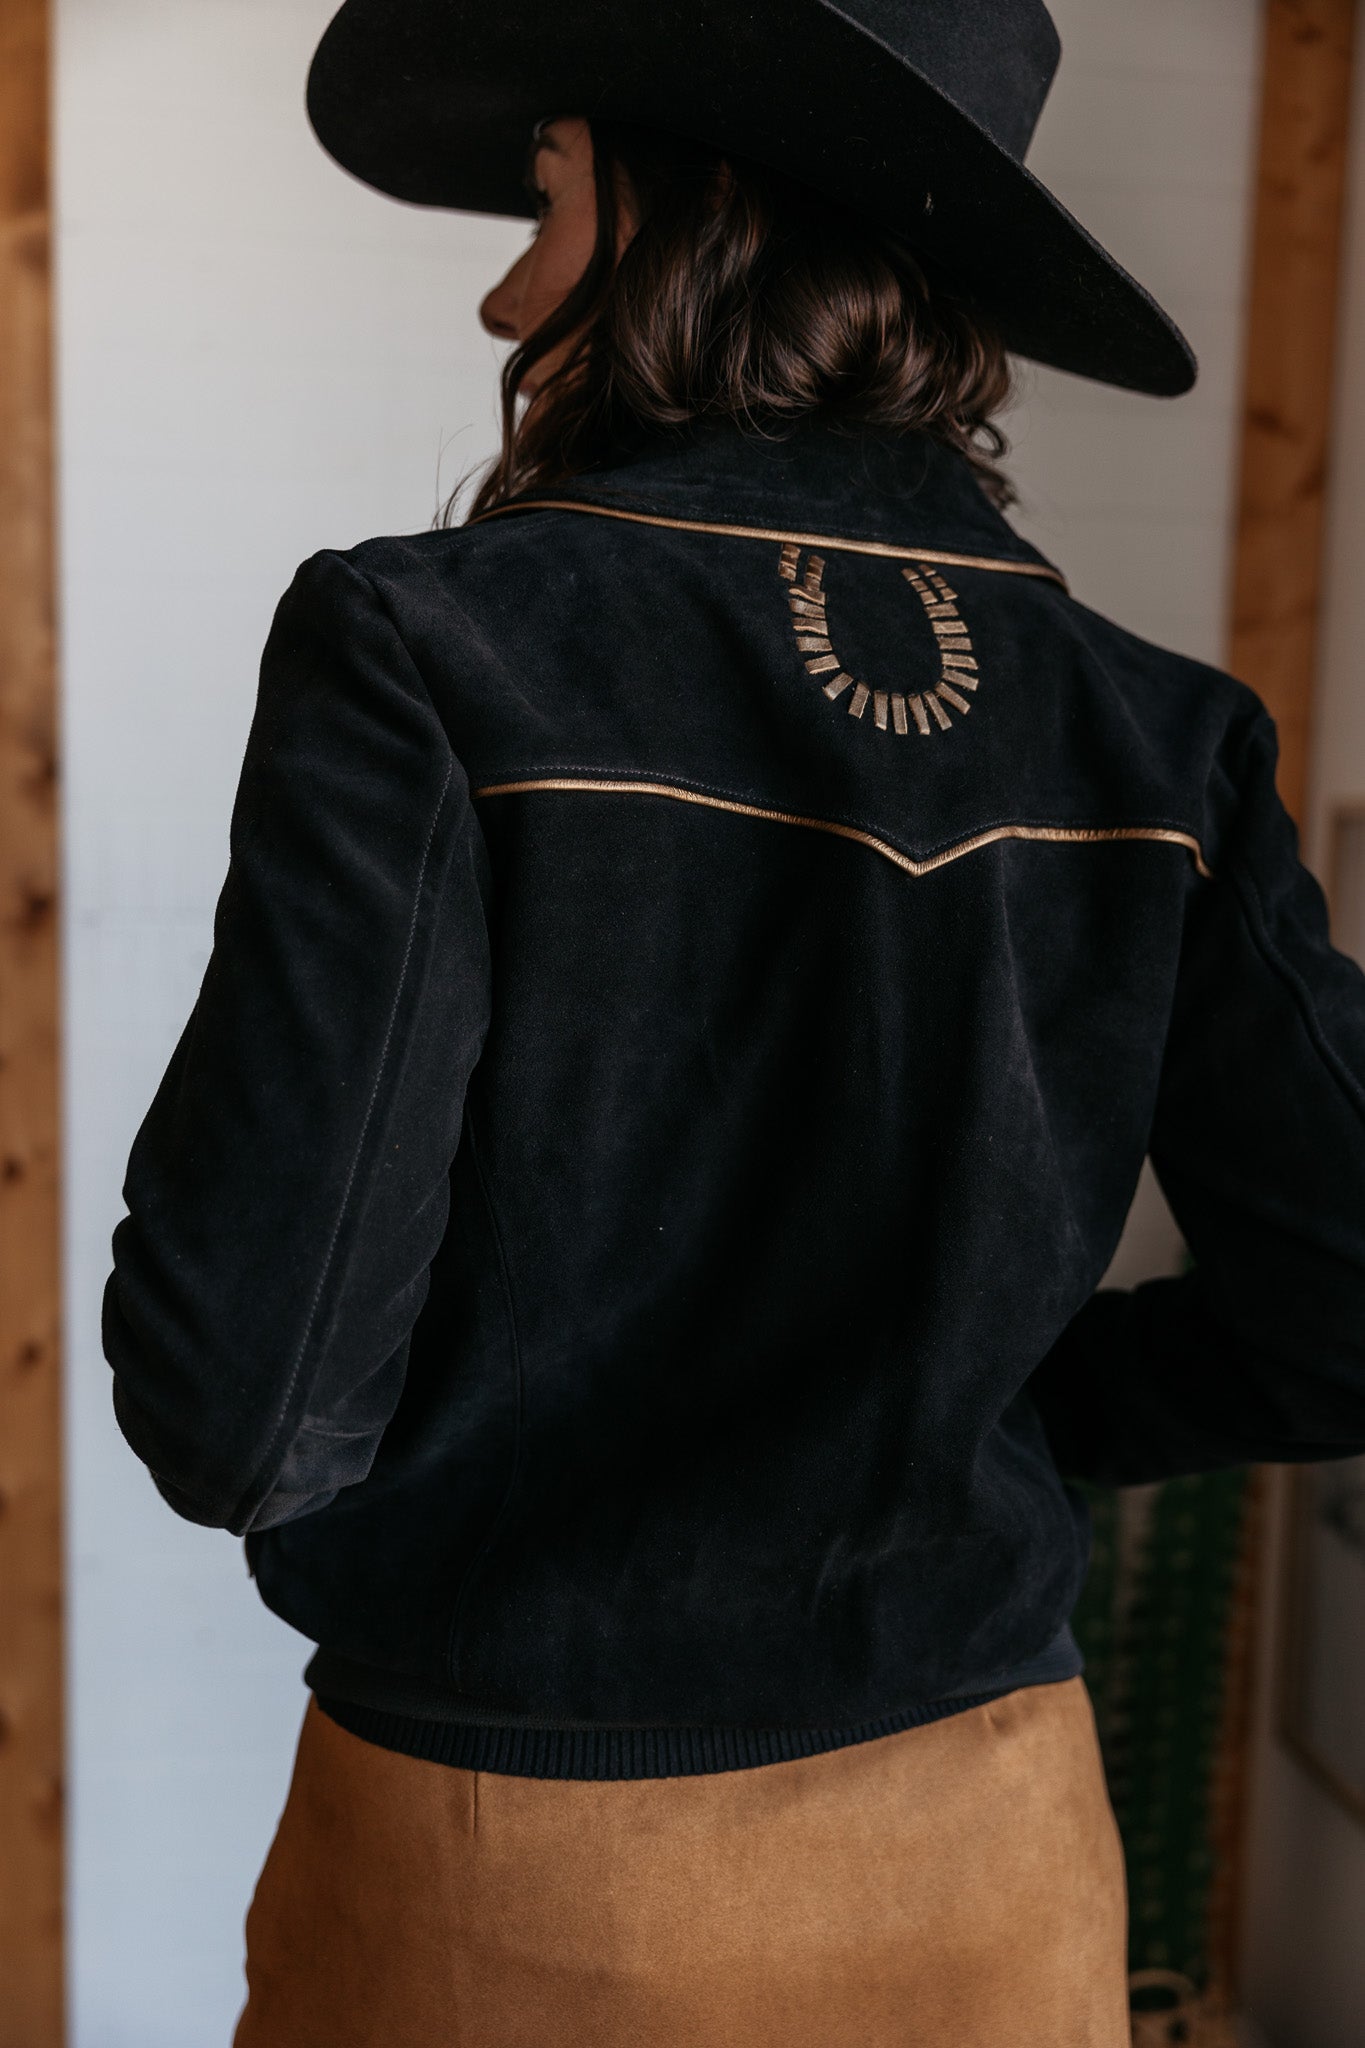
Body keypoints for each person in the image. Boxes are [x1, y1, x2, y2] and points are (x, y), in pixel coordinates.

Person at [101, 3, 1365, 2044]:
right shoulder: (1160, 733)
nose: (507, 284)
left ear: (683, 207)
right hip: (994, 1873)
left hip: (518, 1875)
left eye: (544, 190)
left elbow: (244, 1408)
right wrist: (1015, 1417)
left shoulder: (422, 651)